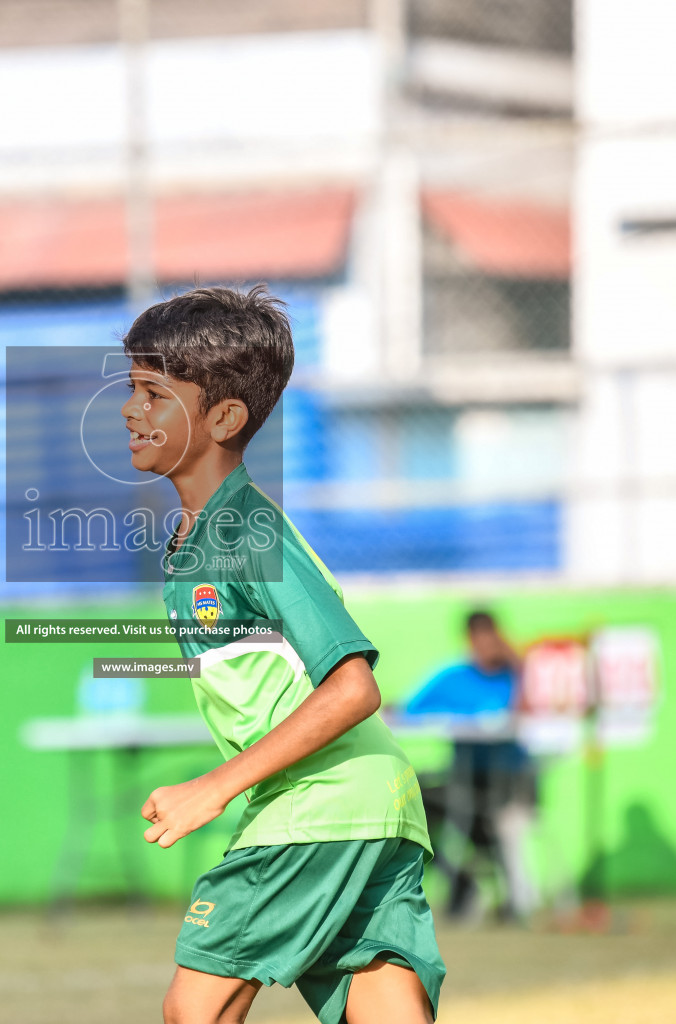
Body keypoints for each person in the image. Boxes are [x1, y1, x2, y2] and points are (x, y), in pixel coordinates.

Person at [121, 286, 444, 1024]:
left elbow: (353, 687)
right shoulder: (201, 541)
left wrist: (215, 788)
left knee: (195, 1009)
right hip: (372, 804)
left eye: (152, 393)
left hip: (317, 806)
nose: (129, 410)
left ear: (224, 418)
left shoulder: (247, 534)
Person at [403, 609, 538, 922]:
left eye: (491, 636)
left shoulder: (515, 679)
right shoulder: (454, 677)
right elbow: (409, 709)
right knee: (408, 801)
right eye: (478, 637)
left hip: (511, 781)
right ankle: (461, 881)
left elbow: (534, 713)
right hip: (466, 779)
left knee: (496, 818)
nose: (486, 645)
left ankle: (510, 898)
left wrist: (518, 665)